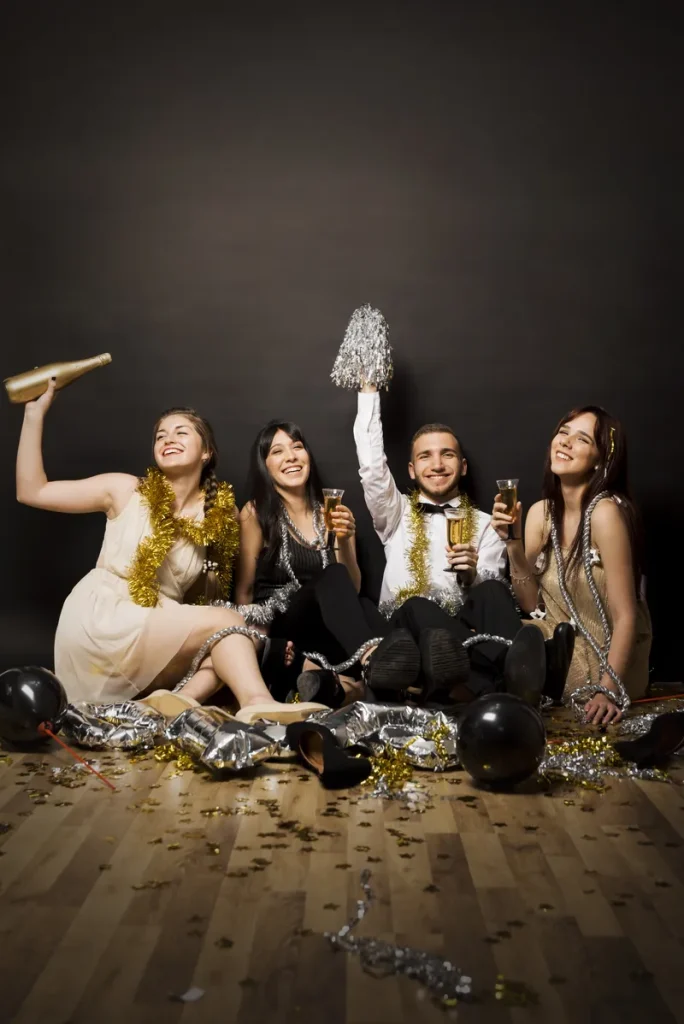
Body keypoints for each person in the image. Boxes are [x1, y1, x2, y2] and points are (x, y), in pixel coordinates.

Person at [15, 379, 326, 724]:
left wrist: (257, 632)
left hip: (159, 628)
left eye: (181, 433)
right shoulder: (124, 490)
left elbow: (208, 602)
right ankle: (245, 699)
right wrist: (34, 413)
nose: (168, 440)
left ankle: (190, 701)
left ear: (206, 452)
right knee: (235, 625)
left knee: (241, 636)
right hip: (102, 618)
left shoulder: (217, 518)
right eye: (161, 436)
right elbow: (32, 491)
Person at [235, 419, 422, 707]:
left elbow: (352, 586)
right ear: (265, 465)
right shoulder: (256, 513)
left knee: (364, 604)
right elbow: (244, 591)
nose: (291, 457)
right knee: (336, 578)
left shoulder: (330, 512)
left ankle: (386, 673)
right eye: (277, 452)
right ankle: (379, 660)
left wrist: (345, 540)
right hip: (285, 627)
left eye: (297, 447)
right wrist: (255, 649)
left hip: (327, 631)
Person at [492, 405, 652, 726]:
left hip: (605, 657)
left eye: (582, 440)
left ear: (601, 460)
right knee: (490, 613)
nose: (565, 442)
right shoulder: (541, 513)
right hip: (552, 639)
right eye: (563, 433)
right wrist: (512, 544)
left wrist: (608, 690)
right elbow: (530, 604)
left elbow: (626, 616)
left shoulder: (605, 514)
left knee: (500, 659)